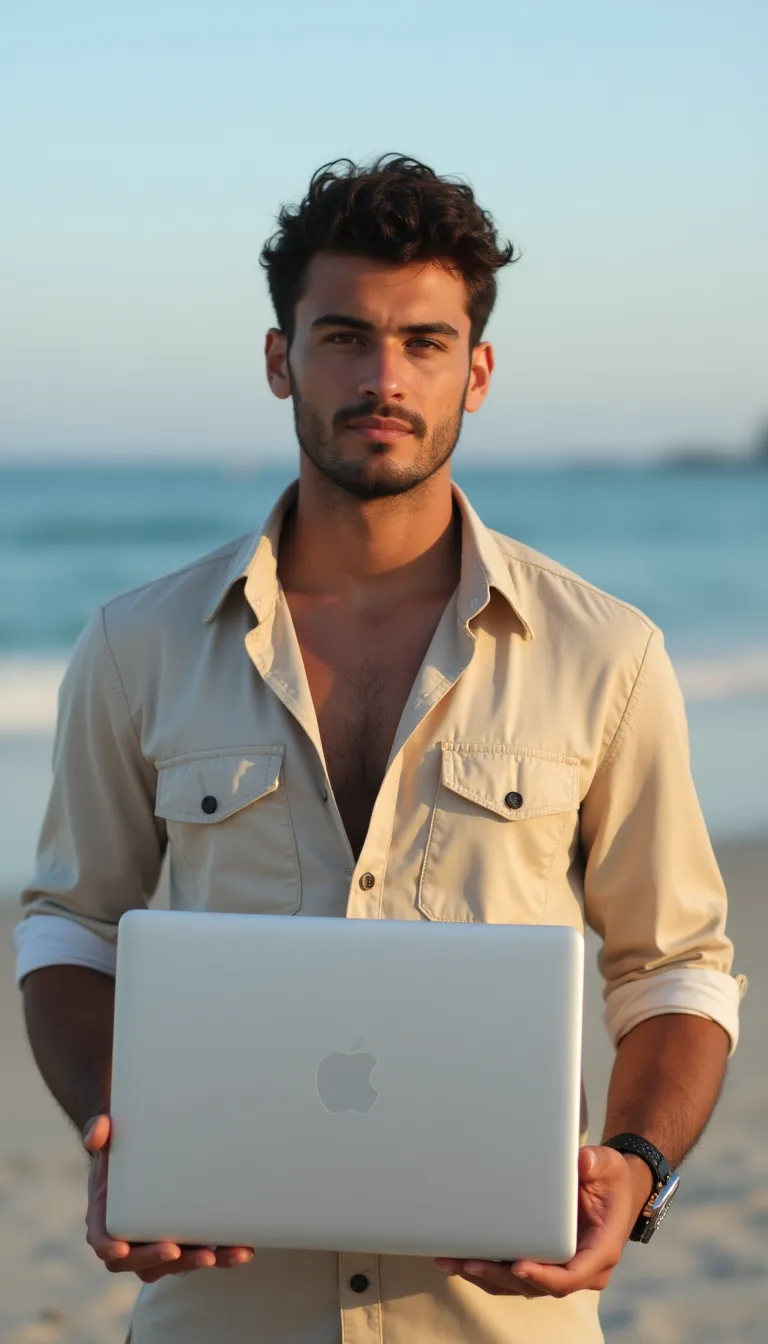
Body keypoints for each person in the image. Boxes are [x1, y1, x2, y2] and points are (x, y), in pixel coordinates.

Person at [15, 154, 744, 1344]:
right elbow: (69, 926)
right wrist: (118, 1130)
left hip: (500, 1317)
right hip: (220, 1304)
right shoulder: (135, 643)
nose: (384, 378)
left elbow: (676, 966)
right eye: (344, 337)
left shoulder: (607, 654)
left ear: (480, 370)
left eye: (424, 342)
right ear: (278, 359)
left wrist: (636, 1165)